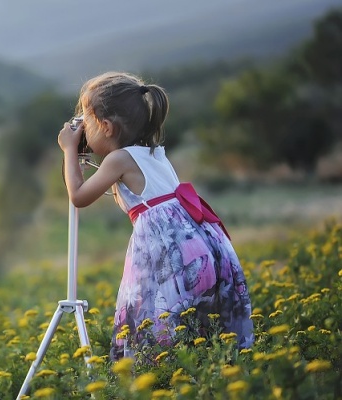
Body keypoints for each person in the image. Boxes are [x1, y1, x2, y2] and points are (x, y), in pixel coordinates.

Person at [57, 71, 253, 360]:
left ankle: (156, 374)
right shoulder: (154, 153)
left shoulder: (118, 159)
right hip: (203, 248)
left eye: (86, 121)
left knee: (153, 319)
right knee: (198, 326)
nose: (82, 129)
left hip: (169, 256)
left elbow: (78, 196)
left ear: (106, 127)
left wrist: (68, 150)